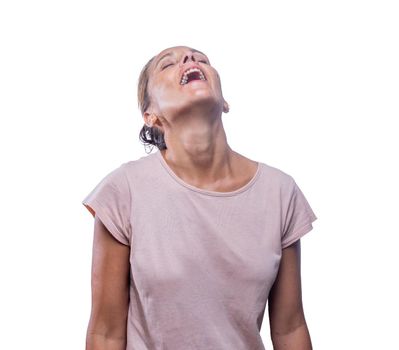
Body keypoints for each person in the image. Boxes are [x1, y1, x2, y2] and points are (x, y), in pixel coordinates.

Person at [82, 45, 318, 349]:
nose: (189, 60)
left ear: (225, 102)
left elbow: (290, 328)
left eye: (201, 59)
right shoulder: (123, 191)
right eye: (167, 64)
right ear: (150, 116)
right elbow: (105, 333)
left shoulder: (279, 192)